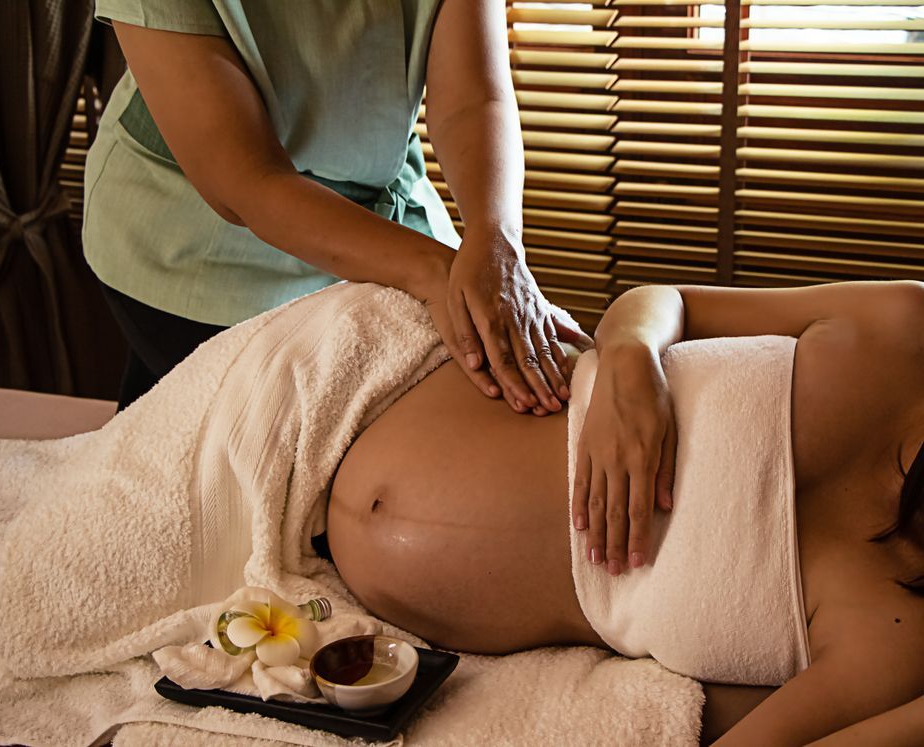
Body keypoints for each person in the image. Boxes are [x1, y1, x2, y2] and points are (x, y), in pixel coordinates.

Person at [326, 279, 924, 744]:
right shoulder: (904, 330)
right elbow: (666, 300)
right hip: (354, 372)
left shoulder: (898, 646)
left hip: (359, 658)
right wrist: (633, 355)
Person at [83, 0, 589, 413]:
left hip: (384, 207)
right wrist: (442, 274)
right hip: (200, 244)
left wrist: (495, 240)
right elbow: (247, 180)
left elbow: (472, 102)